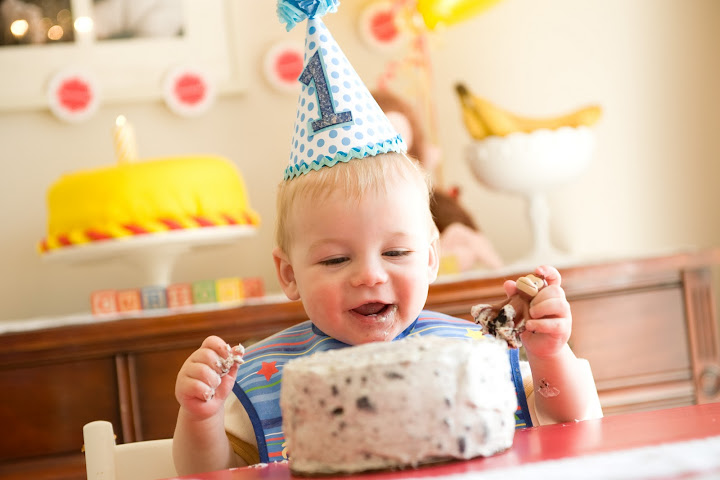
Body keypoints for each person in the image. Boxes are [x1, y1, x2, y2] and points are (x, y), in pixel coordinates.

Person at [172, 4, 601, 476]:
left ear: (431, 258)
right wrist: (202, 417)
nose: (370, 275)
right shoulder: (262, 377)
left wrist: (549, 354)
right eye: (335, 260)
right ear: (289, 275)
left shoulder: (473, 354)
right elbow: (212, 474)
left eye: (396, 252)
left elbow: (569, 423)